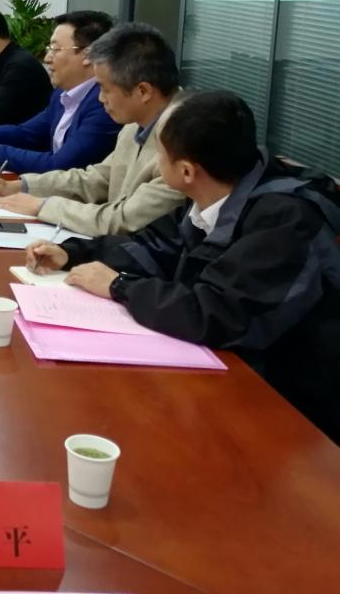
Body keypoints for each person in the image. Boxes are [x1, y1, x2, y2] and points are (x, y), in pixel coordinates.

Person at [24, 91, 340, 444]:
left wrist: (119, 286)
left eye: (159, 154)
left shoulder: (285, 221)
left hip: (289, 409)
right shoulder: (216, 193)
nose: (156, 162)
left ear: (187, 171)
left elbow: (216, 313)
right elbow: (155, 246)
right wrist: (74, 253)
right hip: (225, 370)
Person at [0, 22, 186, 235]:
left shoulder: (183, 143)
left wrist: (42, 206)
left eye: (105, 88)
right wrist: (21, 186)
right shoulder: (135, 123)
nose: (100, 98)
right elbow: (98, 179)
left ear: (143, 91)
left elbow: (123, 220)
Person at [0, 11, 120, 174]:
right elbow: (27, 133)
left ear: (88, 55)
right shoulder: (62, 94)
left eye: (55, 49)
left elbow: (61, 165)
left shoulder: (105, 103)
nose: (47, 58)